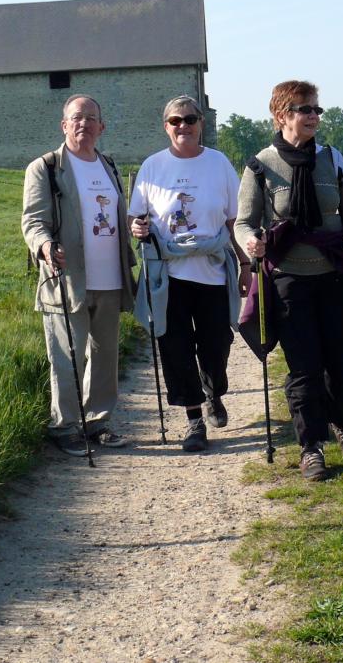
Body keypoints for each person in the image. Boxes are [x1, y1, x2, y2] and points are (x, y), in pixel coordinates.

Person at [234, 80, 343, 481]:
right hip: (288, 280)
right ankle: (310, 446)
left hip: (335, 274)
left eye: (317, 109)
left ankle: (341, 423)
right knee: (304, 366)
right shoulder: (260, 166)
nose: (314, 116)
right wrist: (250, 241)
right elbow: (244, 221)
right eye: (305, 109)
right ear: (282, 115)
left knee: (341, 359)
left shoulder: (333, 159)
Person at [128, 96, 250, 453]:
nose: (184, 126)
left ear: (201, 124)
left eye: (190, 119)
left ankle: (214, 393)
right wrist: (137, 227)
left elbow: (234, 221)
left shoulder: (219, 163)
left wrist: (245, 265)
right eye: (175, 121)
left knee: (216, 346)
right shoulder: (152, 167)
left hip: (213, 272)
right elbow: (136, 217)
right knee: (175, 348)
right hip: (169, 277)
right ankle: (194, 420)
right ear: (165, 126)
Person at [22, 94, 136, 456]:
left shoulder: (109, 166)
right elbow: (33, 220)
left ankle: (97, 421)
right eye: (76, 117)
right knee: (68, 355)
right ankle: (65, 425)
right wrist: (43, 246)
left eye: (91, 118)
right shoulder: (45, 167)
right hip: (66, 278)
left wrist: (135, 225)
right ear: (64, 125)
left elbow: (117, 215)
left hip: (109, 276)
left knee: (104, 355)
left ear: (102, 127)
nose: (83, 123)